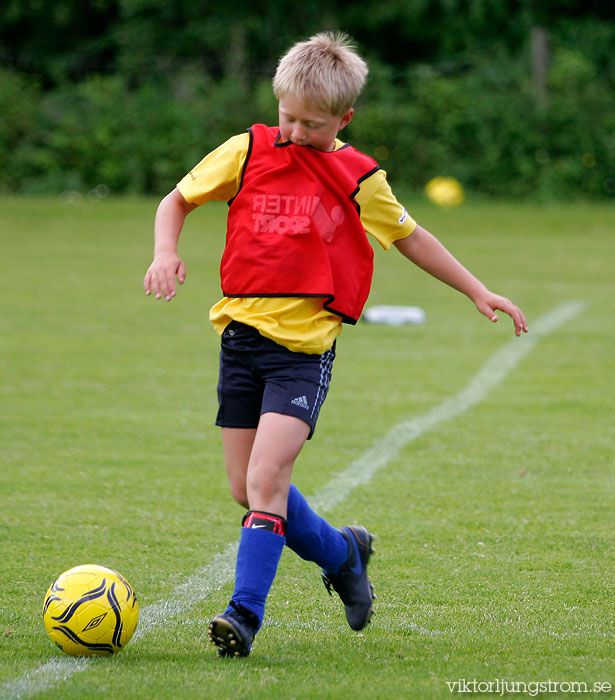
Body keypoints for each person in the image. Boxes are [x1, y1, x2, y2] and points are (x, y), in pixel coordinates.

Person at [144, 32, 528, 658]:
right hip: (240, 342)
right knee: (246, 489)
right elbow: (177, 200)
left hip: (301, 356)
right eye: (287, 117)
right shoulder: (246, 151)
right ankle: (344, 554)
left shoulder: (357, 177)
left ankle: (243, 615)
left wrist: (477, 291)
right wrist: (166, 251)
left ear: (344, 119)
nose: (295, 132)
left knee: (268, 479)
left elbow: (411, 236)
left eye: (313, 124)